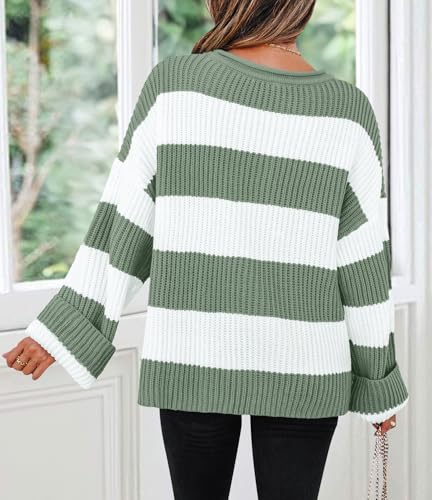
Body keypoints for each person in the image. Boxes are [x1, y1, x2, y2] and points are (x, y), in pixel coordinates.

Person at [2, 0, 409, 498]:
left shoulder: (175, 86)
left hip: (193, 353)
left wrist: (65, 327)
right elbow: (364, 266)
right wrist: (378, 384)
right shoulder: (348, 110)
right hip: (304, 364)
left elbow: (123, 224)